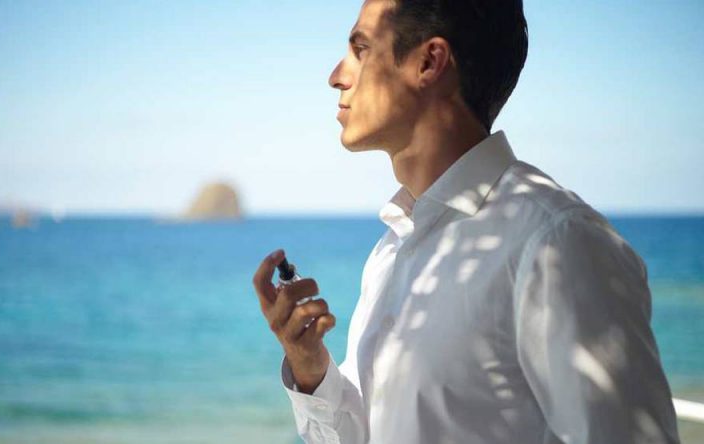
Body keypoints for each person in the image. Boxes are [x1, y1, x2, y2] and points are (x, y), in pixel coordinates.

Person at [252, 0, 680, 442]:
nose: (336, 76)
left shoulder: (558, 244)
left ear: (429, 62)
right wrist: (309, 366)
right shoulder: (393, 247)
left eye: (361, 49)